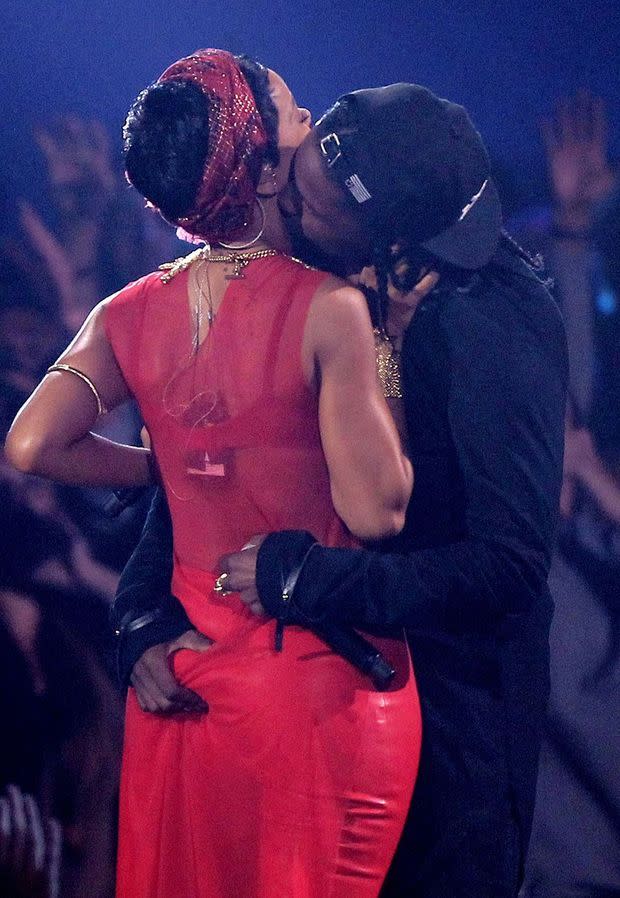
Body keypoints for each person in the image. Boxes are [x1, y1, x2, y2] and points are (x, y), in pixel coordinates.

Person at [111, 83, 568, 896]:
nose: (278, 192)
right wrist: (142, 610)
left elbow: (510, 563)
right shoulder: (305, 272)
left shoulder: (494, 322)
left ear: (386, 237)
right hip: (291, 715)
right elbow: (215, 449)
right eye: (293, 173)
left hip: (447, 741)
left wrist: (319, 582)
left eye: (309, 203)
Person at [6, 49, 420, 898]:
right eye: (298, 117)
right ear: (265, 172)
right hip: (310, 696)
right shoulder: (332, 309)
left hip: (181, 688)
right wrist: (388, 347)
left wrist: (156, 469)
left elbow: (30, 446)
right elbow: (378, 511)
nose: (314, 127)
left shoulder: (126, 311)